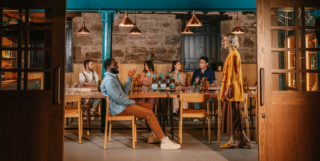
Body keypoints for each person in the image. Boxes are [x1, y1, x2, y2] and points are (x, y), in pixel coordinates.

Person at [101, 58, 181, 150]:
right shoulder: (109, 80)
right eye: (115, 64)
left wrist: (129, 77)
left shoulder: (113, 77)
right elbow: (118, 99)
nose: (117, 66)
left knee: (148, 107)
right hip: (119, 108)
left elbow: (125, 92)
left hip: (123, 105)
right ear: (108, 67)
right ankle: (164, 141)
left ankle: (152, 134)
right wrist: (133, 102)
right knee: (149, 113)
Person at [220, 33, 251, 149]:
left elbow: (233, 75)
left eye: (225, 40)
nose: (224, 42)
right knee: (234, 115)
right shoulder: (232, 54)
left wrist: (228, 89)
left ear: (230, 41)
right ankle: (241, 139)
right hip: (232, 90)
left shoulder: (233, 55)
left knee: (234, 115)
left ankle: (239, 140)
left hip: (232, 91)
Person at [191, 56, 216, 121]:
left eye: (202, 62)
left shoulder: (211, 71)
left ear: (206, 64)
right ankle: (198, 116)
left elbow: (213, 82)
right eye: (200, 62)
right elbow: (192, 83)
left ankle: (207, 115)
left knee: (210, 99)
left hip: (207, 91)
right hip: (198, 91)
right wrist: (195, 82)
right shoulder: (196, 71)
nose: (200, 64)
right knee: (195, 97)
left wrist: (209, 84)